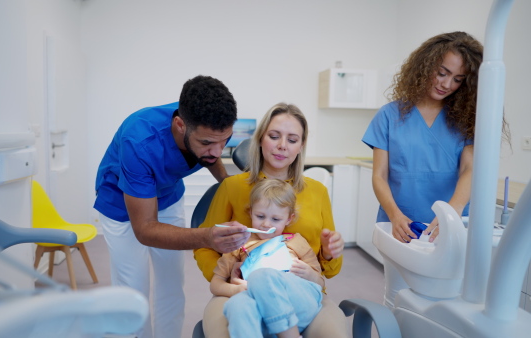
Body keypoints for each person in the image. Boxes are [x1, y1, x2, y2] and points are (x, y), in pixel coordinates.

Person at [94, 75, 251, 338]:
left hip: (168, 195)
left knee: (171, 284)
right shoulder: (140, 142)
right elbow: (145, 229)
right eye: (206, 143)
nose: (217, 150)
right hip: (121, 206)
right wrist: (207, 236)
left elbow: (210, 153)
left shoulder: (202, 125)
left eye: (224, 140)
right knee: (133, 289)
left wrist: (228, 185)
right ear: (180, 125)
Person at [194, 103, 346, 338]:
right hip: (240, 289)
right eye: (274, 136)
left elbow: (328, 271)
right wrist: (227, 276)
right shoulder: (231, 187)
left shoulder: (318, 192)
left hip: (299, 289)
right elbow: (205, 245)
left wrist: (329, 253)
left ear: (301, 146)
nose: (282, 146)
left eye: (292, 140)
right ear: (261, 138)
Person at [361, 31, 486, 309]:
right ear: (425, 66)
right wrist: (395, 215)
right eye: (442, 72)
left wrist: (451, 213)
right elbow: (379, 176)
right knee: (398, 296)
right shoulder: (389, 115)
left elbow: (469, 169)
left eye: (458, 79)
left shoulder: (465, 120)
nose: (446, 84)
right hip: (400, 224)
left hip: (450, 226)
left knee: (446, 303)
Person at [212, 178, 324, 338]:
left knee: (262, 275)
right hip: (261, 310)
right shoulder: (239, 244)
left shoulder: (295, 241)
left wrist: (310, 274)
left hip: (298, 302)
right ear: (250, 212)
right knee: (237, 305)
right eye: (260, 216)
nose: (266, 224)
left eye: (275, 219)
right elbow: (216, 283)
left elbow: (320, 283)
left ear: (289, 219)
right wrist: (236, 289)